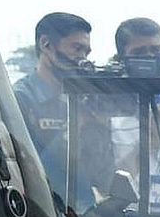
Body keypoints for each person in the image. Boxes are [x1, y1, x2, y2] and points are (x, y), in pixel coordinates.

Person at [13, 11, 99, 203]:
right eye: (77, 48)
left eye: (86, 52)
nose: (82, 59)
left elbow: (101, 173)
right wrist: (72, 130)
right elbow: (27, 169)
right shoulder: (21, 98)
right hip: (47, 208)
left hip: (86, 211)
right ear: (46, 44)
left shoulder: (82, 98)